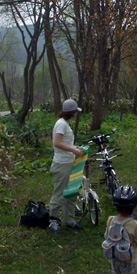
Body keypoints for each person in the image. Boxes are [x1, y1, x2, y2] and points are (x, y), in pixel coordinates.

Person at [48, 98, 85, 233]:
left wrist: (74, 148)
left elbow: (65, 143)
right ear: (72, 112)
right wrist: (72, 150)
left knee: (72, 192)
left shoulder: (65, 124)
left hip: (70, 163)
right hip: (61, 164)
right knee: (60, 193)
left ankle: (69, 220)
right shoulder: (61, 124)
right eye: (75, 111)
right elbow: (57, 143)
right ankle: (53, 221)